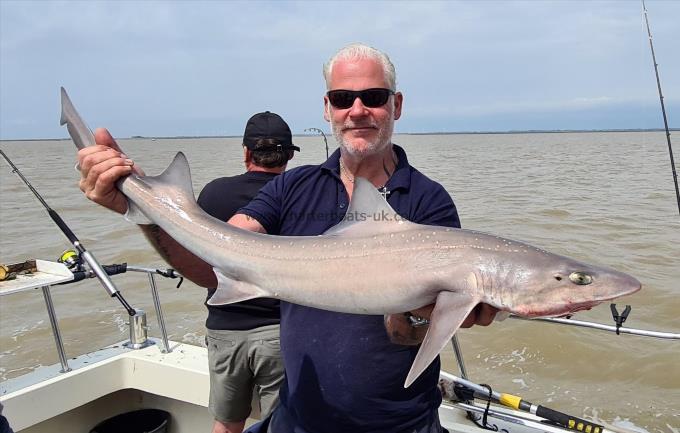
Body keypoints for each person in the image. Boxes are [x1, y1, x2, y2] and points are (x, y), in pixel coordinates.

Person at [77, 43, 498, 433]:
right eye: (342, 98)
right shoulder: (291, 187)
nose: (357, 110)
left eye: (373, 97)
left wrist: (431, 314)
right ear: (327, 108)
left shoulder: (428, 201)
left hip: (398, 422)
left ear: (396, 105)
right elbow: (212, 266)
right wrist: (144, 211)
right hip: (298, 417)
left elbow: (404, 334)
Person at [198, 112, 297, 433]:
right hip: (279, 331)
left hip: (225, 328)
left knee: (226, 423)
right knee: (278, 425)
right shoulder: (298, 196)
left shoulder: (213, 193)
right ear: (287, 156)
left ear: (246, 152)